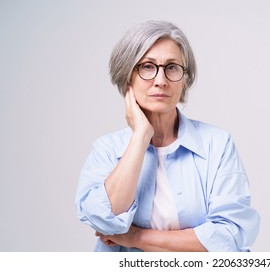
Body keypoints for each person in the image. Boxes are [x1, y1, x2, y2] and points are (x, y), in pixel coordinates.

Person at [75, 20, 260, 252]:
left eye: (172, 67)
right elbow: (103, 220)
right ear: (127, 77)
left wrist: (134, 238)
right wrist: (141, 136)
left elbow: (229, 237)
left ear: (185, 80)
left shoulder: (217, 144)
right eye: (147, 66)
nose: (160, 80)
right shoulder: (107, 149)